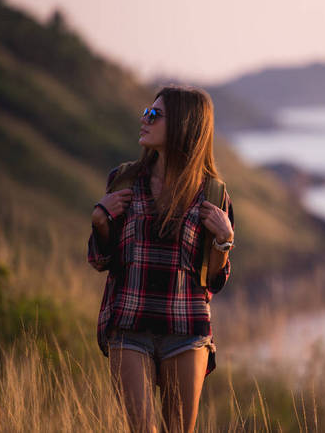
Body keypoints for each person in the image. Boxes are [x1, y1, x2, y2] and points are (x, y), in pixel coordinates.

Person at [87, 86, 235, 433]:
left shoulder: (213, 193)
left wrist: (225, 240)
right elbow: (99, 260)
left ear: (185, 124)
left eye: (155, 114)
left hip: (186, 328)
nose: (144, 119)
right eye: (146, 111)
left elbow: (213, 281)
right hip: (129, 324)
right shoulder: (124, 180)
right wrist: (99, 223)